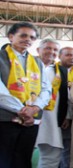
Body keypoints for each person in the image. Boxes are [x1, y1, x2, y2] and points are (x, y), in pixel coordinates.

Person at [0, 22, 52, 167]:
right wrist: (22, 110)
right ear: (11, 36)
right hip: (5, 119)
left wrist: (34, 108)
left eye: (32, 37)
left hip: (31, 121)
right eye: (23, 35)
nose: (28, 39)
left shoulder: (37, 61)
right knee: (4, 159)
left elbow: (46, 89)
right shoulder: (1, 57)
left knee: (23, 159)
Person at [35, 38, 69, 168]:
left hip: (52, 117)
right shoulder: (27, 64)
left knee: (52, 154)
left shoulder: (61, 70)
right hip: (29, 115)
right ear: (38, 50)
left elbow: (66, 95)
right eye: (48, 48)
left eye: (55, 50)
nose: (51, 52)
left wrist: (65, 115)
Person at [59, 46, 73, 168]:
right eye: (68, 55)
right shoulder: (54, 70)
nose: (72, 57)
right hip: (55, 116)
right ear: (60, 56)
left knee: (67, 149)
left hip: (70, 117)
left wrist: (68, 116)